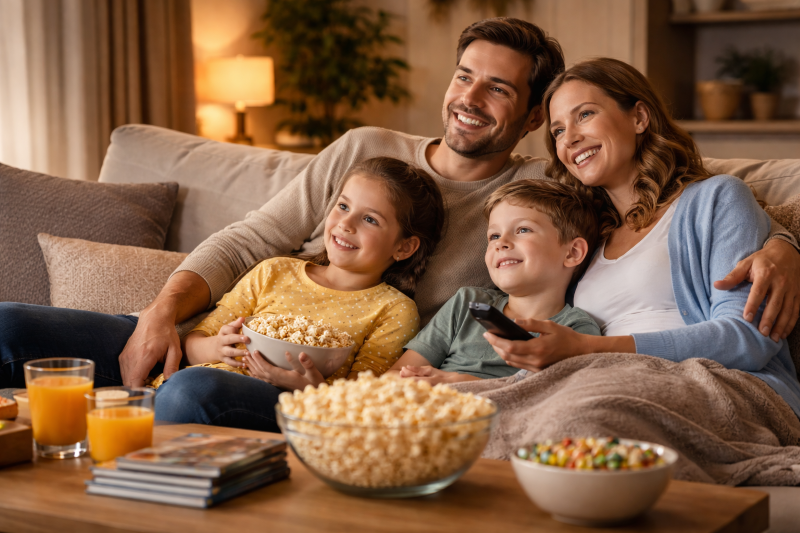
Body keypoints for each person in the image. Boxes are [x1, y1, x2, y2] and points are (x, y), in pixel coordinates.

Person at [1, 19, 798, 415]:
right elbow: (250, 238)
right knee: (9, 326)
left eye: (500, 90)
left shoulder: (547, 191)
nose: (469, 99)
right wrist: (165, 316)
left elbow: (707, 191)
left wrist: (785, 244)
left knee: (187, 399)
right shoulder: (366, 145)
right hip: (219, 325)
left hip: (322, 371)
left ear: (526, 124)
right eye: (464, 77)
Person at [483, 57, 800, 418]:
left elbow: (748, 338)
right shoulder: (581, 238)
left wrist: (590, 349)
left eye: (584, 115)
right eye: (557, 131)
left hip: (720, 385)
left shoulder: (716, 197)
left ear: (639, 117)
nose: (569, 138)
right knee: (469, 415)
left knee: (584, 414)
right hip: (599, 381)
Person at [148, 157, 443, 397]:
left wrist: (310, 387)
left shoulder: (394, 310)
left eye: (370, 219)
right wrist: (216, 347)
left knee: (192, 388)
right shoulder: (274, 271)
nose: (346, 224)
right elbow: (193, 343)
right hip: (190, 380)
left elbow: (361, 396)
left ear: (404, 247)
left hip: (276, 402)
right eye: (343, 206)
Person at [387, 180, 600, 385]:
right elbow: (392, 376)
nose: (501, 243)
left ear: (572, 252)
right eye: (494, 235)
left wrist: (465, 383)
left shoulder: (576, 331)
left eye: (523, 230)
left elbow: (562, 395)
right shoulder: (467, 303)